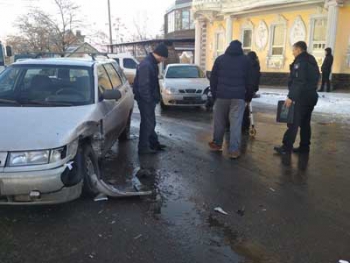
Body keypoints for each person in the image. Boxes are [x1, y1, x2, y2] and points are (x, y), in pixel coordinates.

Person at [208, 40, 254, 159]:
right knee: (235, 124)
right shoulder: (246, 60)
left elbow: (213, 79)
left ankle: (217, 144)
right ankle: (233, 151)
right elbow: (250, 81)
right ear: (241, 48)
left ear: (228, 47)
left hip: (221, 96)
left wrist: (214, 94)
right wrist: (248, 97)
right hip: (238, 97)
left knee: (219, 122)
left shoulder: (220, 59)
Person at [274, 41, 319, 155]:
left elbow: (299, 81)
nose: (292, 52)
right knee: (305, 123)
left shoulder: (301, 62)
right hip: (311, 97)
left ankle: (286, 147)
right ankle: (304, 147)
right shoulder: (311, 60)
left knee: (293, 122)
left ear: (299, 50)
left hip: (302, 97)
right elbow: (317, 77)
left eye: (293, 50)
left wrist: (290, 97)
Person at [133, 43, 168, 155]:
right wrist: (149, 101)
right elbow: (143, 86)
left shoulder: (151, 63)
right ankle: (143, 148)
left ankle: (153, 143)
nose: (162, 61)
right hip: (145, 101)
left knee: (151, 122)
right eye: (163, 58)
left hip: (148, 100)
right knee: (147, 123)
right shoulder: (147, 65)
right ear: (160, 55)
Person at [242, 51, 261, 133]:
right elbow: (256, 79)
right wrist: (254, 89)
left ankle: (242, 126)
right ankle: (246, 126)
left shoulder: (247, 65)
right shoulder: (257, 65)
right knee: (246, 109)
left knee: (242, 110)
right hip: (251, 89)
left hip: (244, 89)